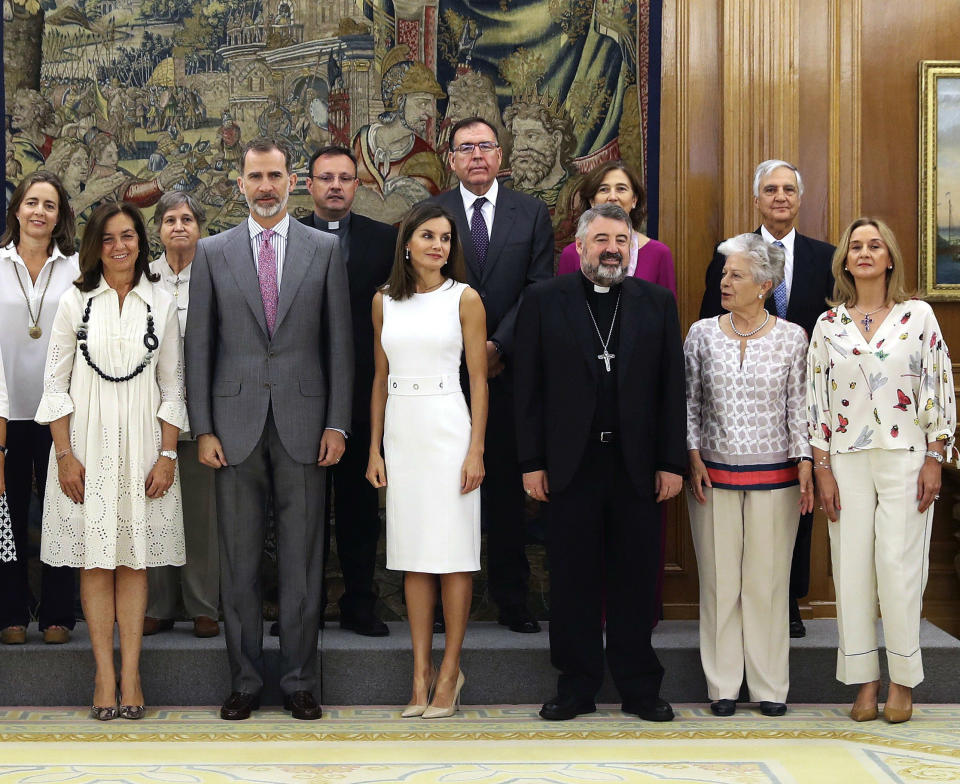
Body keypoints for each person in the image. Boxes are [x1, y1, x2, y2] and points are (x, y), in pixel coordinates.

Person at [185, 137, 353, 722]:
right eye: (255, 176)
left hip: (307, 425)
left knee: (304, 562)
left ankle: (301, 681)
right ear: (240, 183)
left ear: (293, 181)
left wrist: (338, 422)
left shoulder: (323, 251)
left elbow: (340, 345)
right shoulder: (213, 252)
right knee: (238, 562)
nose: (265, 186)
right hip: (232, 430)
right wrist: (203, 427)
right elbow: (198, 348)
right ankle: (246, 681)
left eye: (275, 176)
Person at [514, 203, 686, 722]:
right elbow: (528, 391)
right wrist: (531, 461)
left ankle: (639, 686)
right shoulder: (544, 300)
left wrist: (670, 461)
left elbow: (671, 388)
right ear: (581, 247)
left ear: (631, 249)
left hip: (637, 466)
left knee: (635, 578)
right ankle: (576, 684)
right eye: (602, 240)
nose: (612, 248)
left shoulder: (655, 302)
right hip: (570, 465)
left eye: (621, 240)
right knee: (572, 579)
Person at [37, 201, 187, 720]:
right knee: (95, 560)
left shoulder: (161, 300)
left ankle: (132, 675)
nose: (119, 246)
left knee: (133, 560)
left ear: (141, 242)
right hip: (85, 448)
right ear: (94, 246)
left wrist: (168, 455)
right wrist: (64, 456)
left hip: (145, 448)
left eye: (127, 236)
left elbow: (173, 384)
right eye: (108, 238)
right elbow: (54, 384)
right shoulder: (73, 301)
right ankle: (104, 673)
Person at [807, 217, 955, 724]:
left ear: (890, 257)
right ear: (845, 260)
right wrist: (820, 466)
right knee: (851, 571)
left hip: (906, 457)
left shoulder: (918, 317)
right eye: (856, 247)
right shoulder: (829, 325)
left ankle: (902, 682)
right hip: (845, 460)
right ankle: (863, 681)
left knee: (899, 568)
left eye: (874, 245)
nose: (865, 253)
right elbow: (815, 401)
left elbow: (938, 387)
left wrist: (936, 456)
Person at [699, 159, 834, 639]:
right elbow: (708, 323)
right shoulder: (729, 254)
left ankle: (790, 602)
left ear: (800, 199)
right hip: (734, 418)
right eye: (771, 190)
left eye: (789, 190)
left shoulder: (826, 257)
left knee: (796, 506)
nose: (781, 197)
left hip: (802, 397)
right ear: (756, 199)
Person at [432, 116, 553, 634]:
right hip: (443, 374)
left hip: (507, 372)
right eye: (466, 148)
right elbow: (419, 286)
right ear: (452, 159)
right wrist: (464, 347)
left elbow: (538, 288)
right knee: (445, 489)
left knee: (504, 491)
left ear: (500, 156)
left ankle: (510, 597)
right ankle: (441, 601)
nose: (477, 155)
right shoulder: (431, 213)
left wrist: (497, 343)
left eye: (485, 146)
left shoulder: (531, 214)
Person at [366, 202, 487, 719]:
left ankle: (449, 671)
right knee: (414, 555)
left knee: (453, 553)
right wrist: (374, 448)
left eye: (446, 238)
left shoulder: (466, 298)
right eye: (428, 235)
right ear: (407, 243)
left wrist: (476, 447)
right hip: (403, 432)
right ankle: (418, 674)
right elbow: (378, 378)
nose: (439, 245)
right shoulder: (382, 302)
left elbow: (479, 379)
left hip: (448, 427)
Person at [685, 233, 813, 718]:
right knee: (719, 583)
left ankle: (769, 687)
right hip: (711, 476)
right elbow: (690, 401)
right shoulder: (701, 334)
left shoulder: (792, 337)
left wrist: (805, 463)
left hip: (776, 478)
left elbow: (799, 406)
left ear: (764, 284)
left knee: (766, 583)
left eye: (735, 274)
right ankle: (722, 684)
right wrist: (692, 454)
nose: (725, 281)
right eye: (724, 274)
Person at [301, 144, 396, 637]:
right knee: (305, 513)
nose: (336, 186)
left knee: (360, 512)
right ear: (310, 185)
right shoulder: (287, 238)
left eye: (345, 178)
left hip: (364, 396)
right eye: (326, 178)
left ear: (357, 186)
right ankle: (306, 610)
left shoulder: (385, 240)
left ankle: (361, 604)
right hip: (301, 397)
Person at [0, 172, 80, 646]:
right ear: (17, 209)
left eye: (49, 206)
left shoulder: (74, 270)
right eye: (32, 203)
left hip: (60, 417)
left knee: (61, 515)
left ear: (59, 217)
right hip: (6, 416)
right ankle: (10, 612)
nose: (39, 212)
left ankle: (57, 614)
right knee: (5, 513)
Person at [143, 192, 220, 640]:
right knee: (152, 505)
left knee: (201, 512)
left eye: (187, 219)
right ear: (158, 229)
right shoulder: (141, 276)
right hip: (148, 413)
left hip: (203, 412)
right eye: (169, 219)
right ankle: (157, 603)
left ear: (200, 226)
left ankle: (203, 605)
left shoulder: (216, 273)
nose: (178, 227)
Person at [557, 161, 676, 297]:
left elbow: (666, 312)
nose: (612, 197)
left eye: (621, 189)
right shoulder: (572, 253)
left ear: (634, 200)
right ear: (592, 201)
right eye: (604, 189)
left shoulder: (659, 254)